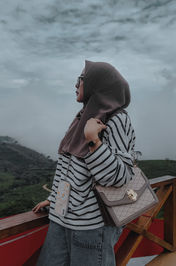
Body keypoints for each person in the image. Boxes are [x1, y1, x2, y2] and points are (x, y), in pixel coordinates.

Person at [32, 60, 136, 266]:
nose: (76, 85)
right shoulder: (82, 118)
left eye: (80, 79)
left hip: (91, 227)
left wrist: (94, 141)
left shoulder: (116, 119)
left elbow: (120, 176)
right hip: (60, 220)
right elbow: (67, 171)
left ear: (98, 84)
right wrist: (55, 199)